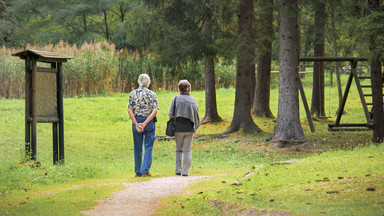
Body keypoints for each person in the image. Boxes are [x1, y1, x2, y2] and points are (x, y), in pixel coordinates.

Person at [128, 74, 159, 177]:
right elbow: (155, 111)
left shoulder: (132, 94)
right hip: (149, 121)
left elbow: (130, 110)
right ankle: (145, 170)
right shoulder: (152, 94)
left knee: (137, 147)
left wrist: (136, 124)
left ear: (138, 81)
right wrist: (145, 123)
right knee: (148, 146)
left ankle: (138, 172)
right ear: (148, 82)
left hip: (136, 120)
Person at [168, 80, 200, 177]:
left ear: (179, 88)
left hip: (178, 127)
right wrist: (195, 126)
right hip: (189, 128)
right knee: (187, 150)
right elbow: (196, 114)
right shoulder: (192, 100)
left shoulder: (175, 98)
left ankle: (178, 169)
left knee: (179, 149)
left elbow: (170, 114)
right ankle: (185, 172)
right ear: (189, 88)